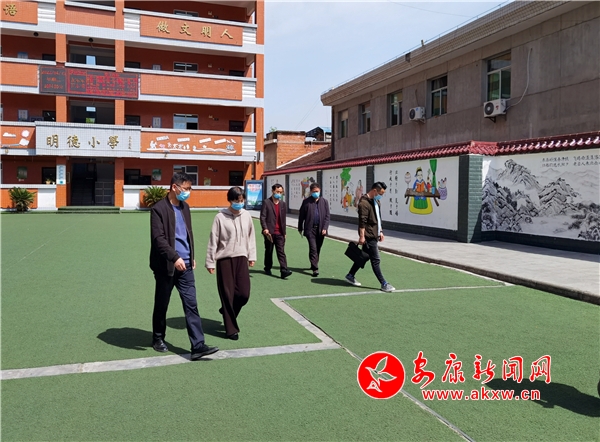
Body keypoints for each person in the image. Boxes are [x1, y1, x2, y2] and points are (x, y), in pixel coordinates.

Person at [149, 172, 218, 360]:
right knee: (162, 303)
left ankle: (198, 346)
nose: (188, 192)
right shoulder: (158, 209)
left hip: (186, 266)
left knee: (191, 304)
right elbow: (158, 239)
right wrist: (174, 257)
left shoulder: (185, 207)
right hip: (166, 266)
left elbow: (187, 233)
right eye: (186, 188)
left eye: (190, 188)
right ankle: (158, 338)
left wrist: (190, 256)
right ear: (174, 187)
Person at [206, 186, 256, 340]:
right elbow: (213, 239)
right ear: (230, 200)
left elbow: (251, 237)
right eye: (236, 200)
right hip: (225, 259)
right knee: (227, 294)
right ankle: (231, 330)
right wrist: (210, 262)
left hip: (242, 257)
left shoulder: (247, 215)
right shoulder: (220, 217)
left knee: (243, 294)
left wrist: (252, 256)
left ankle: (227, 311)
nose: (239, 203)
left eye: (241, 200)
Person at [345, 181, 396, 293]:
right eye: (380, 193)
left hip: (375, 234)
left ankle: (350, 274)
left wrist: (380, 231)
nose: (381, 196)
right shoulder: (364, 203)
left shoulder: (376, 201)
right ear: (374, 191)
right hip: (369, 236)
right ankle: (384, 283)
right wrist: (362, 236)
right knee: (375, 260)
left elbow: (378, 218)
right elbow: (362, 222)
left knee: (364, 256)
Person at [260, 183, 292, 279]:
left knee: (281, 252)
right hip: (269, 232)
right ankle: (267, 267)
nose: (279, 194)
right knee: (269, 251)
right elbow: (263, 217)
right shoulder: (266, 202)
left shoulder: (283, 204)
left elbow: (283, 219)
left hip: (280, 233)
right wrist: (265, 228)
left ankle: (284, 270)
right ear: (273, 191)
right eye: (277, 192)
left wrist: (284, 232)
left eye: (281, 192)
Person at [298, 182, 330, 277]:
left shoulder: (324, 202)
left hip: (320, 229)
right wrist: (300, 227)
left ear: (320, 190)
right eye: (314, 191)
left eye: (317, 191)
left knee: (318, 248)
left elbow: (327, 216)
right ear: (311, 192)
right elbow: (301, 216)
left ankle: (313, 263)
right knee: (313, 248)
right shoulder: (306, 202)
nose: (316, 193)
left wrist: (325, 228)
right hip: (310, 229)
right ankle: (315, 268)